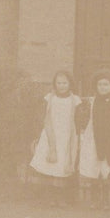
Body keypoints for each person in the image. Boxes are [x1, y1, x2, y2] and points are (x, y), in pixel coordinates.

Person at [76, 68, 110, 209]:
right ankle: (95, 199)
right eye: (100, 84)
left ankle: (105, 199)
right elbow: (86, 119)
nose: (103, 87)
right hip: (94, 138)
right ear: (96, 86)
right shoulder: (92, 102)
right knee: (95, 167)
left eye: (106, 84)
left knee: (107, 168)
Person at [28, 71, 81, 206]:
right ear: (54, 84)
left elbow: (79, 119)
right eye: (59, 83)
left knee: (62, 165)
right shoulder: (49, 98)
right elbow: (42, 117)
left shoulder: (75, 100)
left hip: (66, 136)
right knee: (48, 164)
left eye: (64, 83)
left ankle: (61, 198)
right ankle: (48, 197)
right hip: (50, 134)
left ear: (70, 84)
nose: (62, 86)